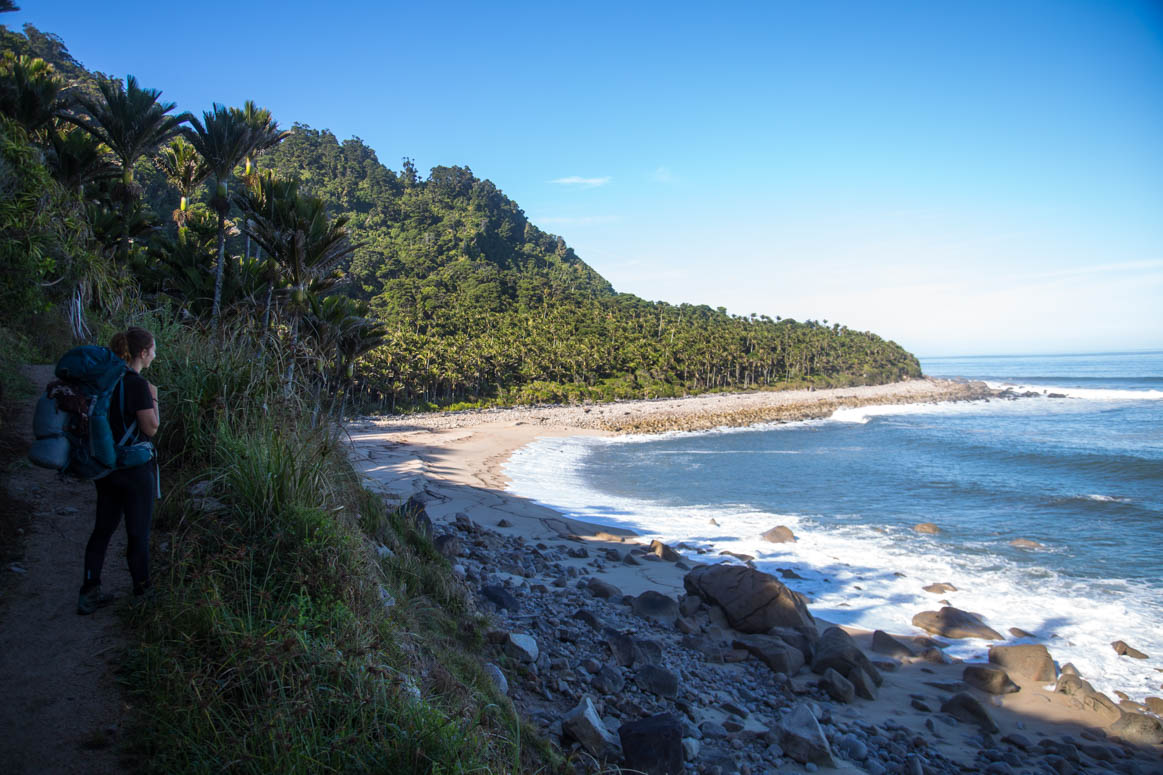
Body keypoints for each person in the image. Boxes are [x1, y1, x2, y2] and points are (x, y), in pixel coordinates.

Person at [77, 327, 160, 615]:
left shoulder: (104, 382)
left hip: (107, 468)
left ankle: (88, 592)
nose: (154, 354)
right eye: (152, 349)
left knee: (102, 529)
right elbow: (151, 428)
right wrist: (155, 399)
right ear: (142, 352)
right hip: (136, 471)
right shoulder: (138, 385)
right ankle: (142, 592)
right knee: (137, 533)